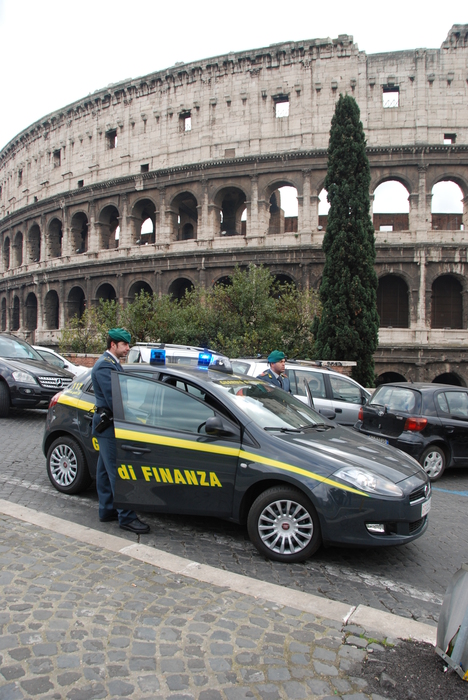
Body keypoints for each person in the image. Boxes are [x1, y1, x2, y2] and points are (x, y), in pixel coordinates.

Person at [91, 328, 150, 534]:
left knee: (104, 471)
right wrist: (132, 421)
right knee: (117, 471)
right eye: (124, 345)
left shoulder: (112, 364)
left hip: (107, 423)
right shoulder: (104, 367)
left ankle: (107, 510)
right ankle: (126, 517)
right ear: (113, 345)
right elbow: (115, 400)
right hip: (109, 425)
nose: (128, 348)